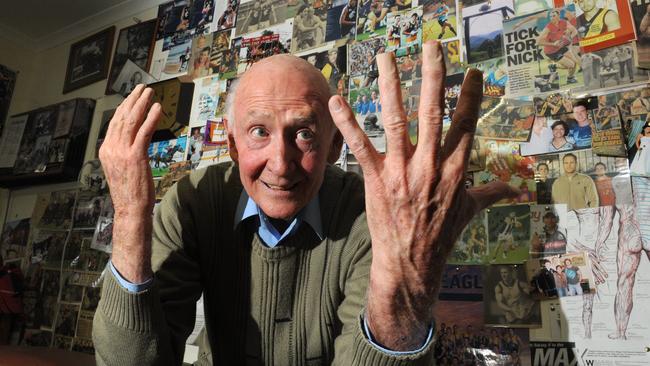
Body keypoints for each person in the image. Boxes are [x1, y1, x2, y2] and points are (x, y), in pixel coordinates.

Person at [94, 42, 516, 364]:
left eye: (304, 134)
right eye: (259, 131)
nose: (280, 164)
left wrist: (409, 273)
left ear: (334, 146)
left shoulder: (371, 211)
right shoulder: (193, 199)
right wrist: (131, 216)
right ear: (233, 143)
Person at [536, 10, 580, 85]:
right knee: (571, 65)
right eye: (550, 16)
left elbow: (575, 30)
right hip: (551, 51)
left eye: (554, 16)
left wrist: (569, 38)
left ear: (558, 15)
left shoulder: (563, 22)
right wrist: (553, 44)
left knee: (575, 63)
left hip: (561, 47)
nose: (552, 18)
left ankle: (570, 78)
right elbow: (538, 42)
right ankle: (554, 66)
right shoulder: (548, 28)